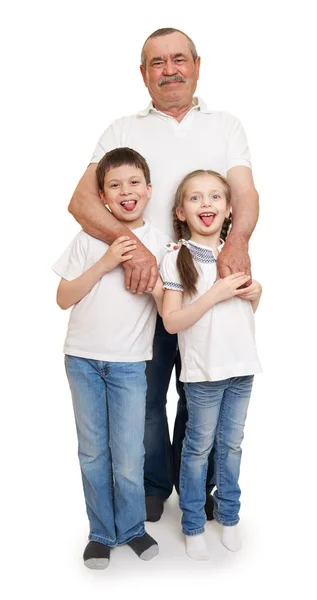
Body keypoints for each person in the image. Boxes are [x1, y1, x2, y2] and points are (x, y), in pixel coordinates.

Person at [68, 27, 259, 522]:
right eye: (157, 62)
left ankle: (202, 486)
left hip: (209, 284)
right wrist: (134, 251)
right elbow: (82, 201)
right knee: (150, 396)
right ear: (143, 73)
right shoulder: (122, 129)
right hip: (144, 290)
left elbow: (246, 193)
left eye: (179, 59)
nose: (169, 69)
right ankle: (155, 485)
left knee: (205, 390)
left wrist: (236, 241)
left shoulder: (226, 125)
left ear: (197, 64)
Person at [53, 148, 170, 569]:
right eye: (115, 185)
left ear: (149, 190)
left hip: (129, 365)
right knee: (92, 452)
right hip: (82, 361)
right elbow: (63, 298)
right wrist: (105, 262)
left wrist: (155, 278)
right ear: (102, 196)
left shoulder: (160, 244)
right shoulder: (88, 239)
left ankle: (133, 528)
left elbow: (168, 310)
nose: (126, 192)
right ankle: (101, 532)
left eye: (134, 183)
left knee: (128, 454)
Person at [161, 169, 262, 561]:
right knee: (198, 448)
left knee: (232, 445)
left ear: (229, 208)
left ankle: (230, 515)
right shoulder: (177, 258)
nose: (207, 204)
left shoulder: (235, 255)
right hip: (204, 374)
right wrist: (216, 292)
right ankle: (192, 523)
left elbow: (243, 313)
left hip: (242, 368)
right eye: (196, 198)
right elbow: (172, 321)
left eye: (215, 197)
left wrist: (255, 293)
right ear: (181, 211)